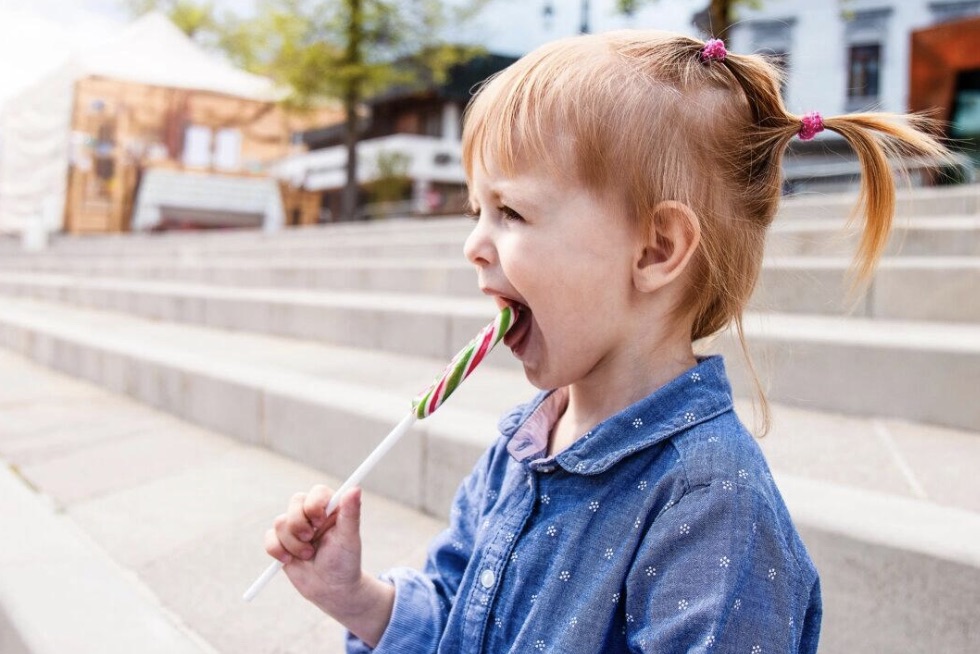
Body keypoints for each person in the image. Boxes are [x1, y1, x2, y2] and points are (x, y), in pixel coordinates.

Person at [264, 31, 951, 653]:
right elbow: (457, 619)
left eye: (510, 211)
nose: (474, 245)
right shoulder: (523, 443)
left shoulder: (708, 506)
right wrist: (356, 599)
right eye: (478, 212)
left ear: (655, 249)